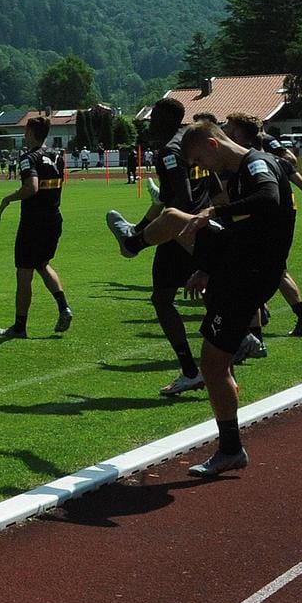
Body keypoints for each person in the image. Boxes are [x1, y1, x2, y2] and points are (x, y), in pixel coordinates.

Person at [108, 122, 293, 476]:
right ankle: (133, 242)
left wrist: (213, 212)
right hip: (238, 263)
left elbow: (268, 200)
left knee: (212, 364)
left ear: (213, 143)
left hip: (249, 274)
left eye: (200, 159)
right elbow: (247, 226)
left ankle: (231, 449)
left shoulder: (255, 164)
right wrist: (206, 267)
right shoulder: (240, 172)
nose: (203, 169)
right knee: (176, 217)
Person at [102, 98, 217, 396]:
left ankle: (191, 370)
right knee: (210, 289)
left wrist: (153, 232)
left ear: (164, 120)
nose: (150, 124)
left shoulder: (170, 151)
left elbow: (179, 199)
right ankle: (242, 337)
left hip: (181, 232)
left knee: (163, 300)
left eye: (154, 118)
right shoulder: (194, 142)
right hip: (202, 228)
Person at [224, 112, 302, 337]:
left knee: (249, 276)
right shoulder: (278, 162)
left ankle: (255, 337)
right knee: (277, 273)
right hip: (279, 228)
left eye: (228, 128)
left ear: (239, 134)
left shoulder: (251, 164)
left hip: (264, 229)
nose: (224, 132)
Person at [0, 116, 72, 338]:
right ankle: (63, 307)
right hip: (54, 218)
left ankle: (19, 327)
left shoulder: (29, 158)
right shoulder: (57, 156)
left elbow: (32, 187)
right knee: (42, 264)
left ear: (30, 133)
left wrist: (8, 198)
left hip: (33, 222)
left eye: (25, 132)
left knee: (24, 273)